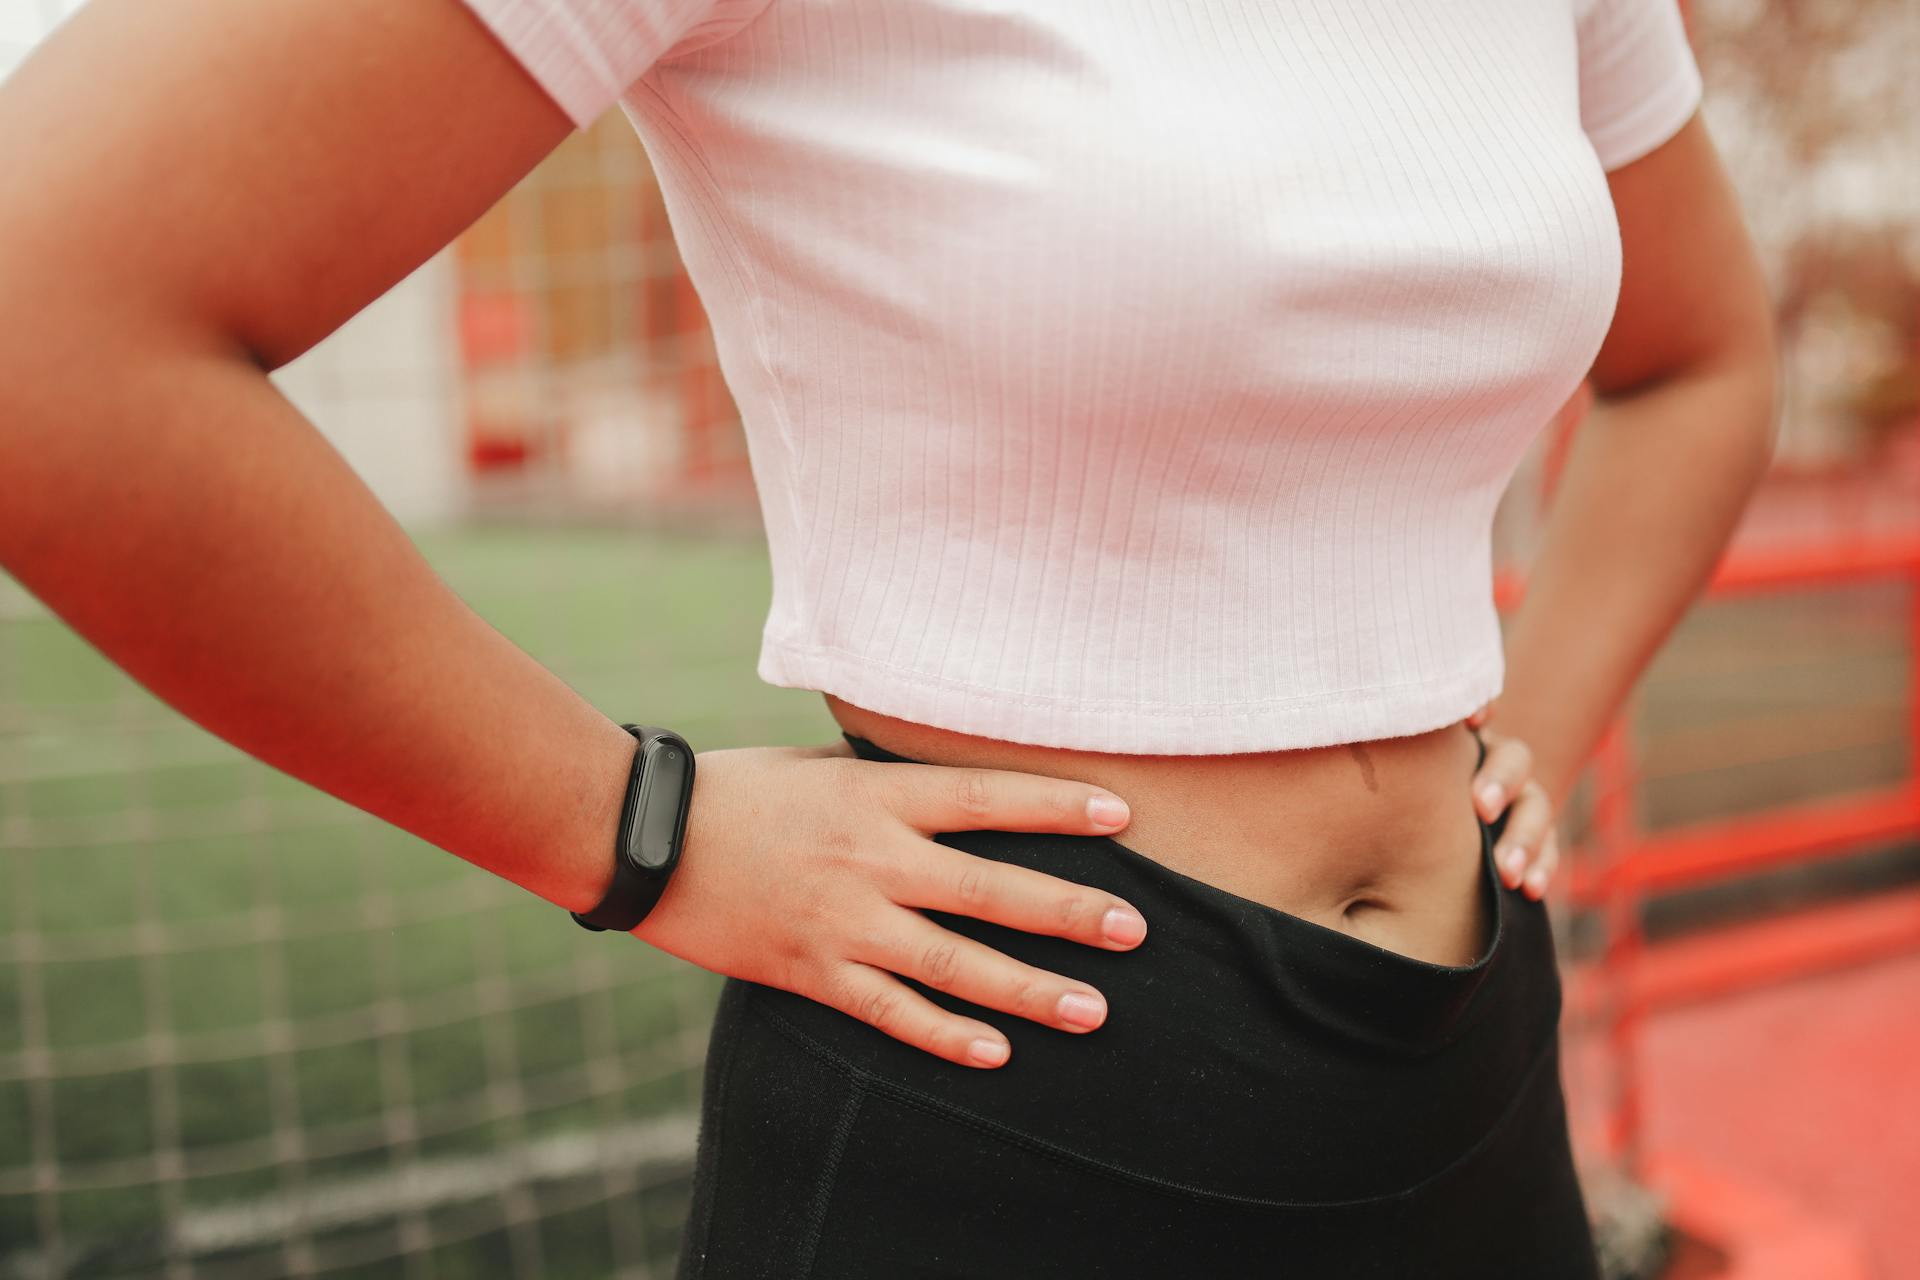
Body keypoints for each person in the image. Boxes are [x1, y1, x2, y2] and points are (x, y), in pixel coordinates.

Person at [0, 0, 1776, 1275]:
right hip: (1016, 1065)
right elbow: (45, 319)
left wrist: (1536, 716)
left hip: (1472, 1056)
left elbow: (1701, 358)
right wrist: (639, 833)